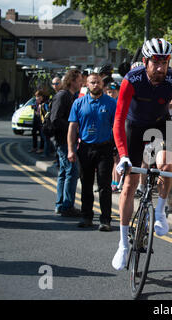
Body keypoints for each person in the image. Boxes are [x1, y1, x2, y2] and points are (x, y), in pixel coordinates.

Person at [111, 38, 172, 270]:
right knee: (129, 184)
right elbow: (118, 119)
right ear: (145, 61)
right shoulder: (132, 80)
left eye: (165, 62)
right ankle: (123, 245)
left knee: (167, 165)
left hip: (160, 125)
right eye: (156, 62)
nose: (160, 68)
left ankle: (160, 212)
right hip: (134, 127)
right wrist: (124, 155)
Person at [68, 73, 117, 231]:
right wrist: (71, 150)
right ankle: (86, 216)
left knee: (104, 185)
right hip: (85, 148)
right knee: (86, 184)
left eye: (98, 82)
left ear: (102, 84)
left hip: (105, 148)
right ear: (87, 85)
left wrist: (118, 148)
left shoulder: (111, 103)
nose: (96, 85)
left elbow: (117, 127)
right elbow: (73, 128)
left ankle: (105, 220)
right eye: (92, 82)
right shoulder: (78, 103)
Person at [50, 69, 82, 217]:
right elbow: (55, 119)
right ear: (72, 80)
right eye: (79, 80)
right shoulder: (62, 96)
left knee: (64, 172)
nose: (81, 82)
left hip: (66, 140)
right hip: (63, 140)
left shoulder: (70, 96)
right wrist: (72, 127)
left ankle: (61, 204)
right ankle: (67, 205)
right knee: (72, 171)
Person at [104, 81, 122, 192]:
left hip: (118, 134)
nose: (111, 94)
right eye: (109, 92)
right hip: (110, 135)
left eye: (113, 92)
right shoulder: (108, 103)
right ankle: (114, 182)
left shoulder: (119, 103)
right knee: (114, 160)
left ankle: (117, 182)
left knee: (118, 160)